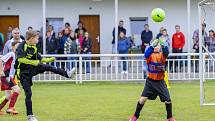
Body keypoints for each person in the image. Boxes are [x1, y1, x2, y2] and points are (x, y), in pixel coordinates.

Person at [15, 30, 76, 121]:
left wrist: (49, 59)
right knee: (28, 94)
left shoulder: (34, 47)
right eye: (37, 38)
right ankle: (30, 116)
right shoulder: (21, 46)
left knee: (47, 66)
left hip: (32, 69)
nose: (38, 40)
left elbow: (40, 59)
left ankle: (67, 74)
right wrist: (33, 62)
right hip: (23, 74)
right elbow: (20, 59)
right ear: (31, 39)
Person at [129, 39, 176, 121]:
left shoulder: (162, 55)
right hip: (150, 82)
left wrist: (164, 45)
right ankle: (135, 116)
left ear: (160, 47)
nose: (156, 47)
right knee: (142, 99)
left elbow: (166, 52)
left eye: (158, 45)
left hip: (160, 82)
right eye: (155, 45)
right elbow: (146, 54)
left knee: (168, 100)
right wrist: (151, 46)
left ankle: (170, 117)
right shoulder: (150, 55)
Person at [0, 42, 21, 115]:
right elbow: (0, 60)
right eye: (17, 46)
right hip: (6, 76)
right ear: (12, 47)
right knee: (17, 90)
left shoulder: (18, 56)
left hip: (8, 77)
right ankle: (10, 108)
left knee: (8, 96)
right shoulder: (11, 54)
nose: (18, 48)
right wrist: (1, 71)